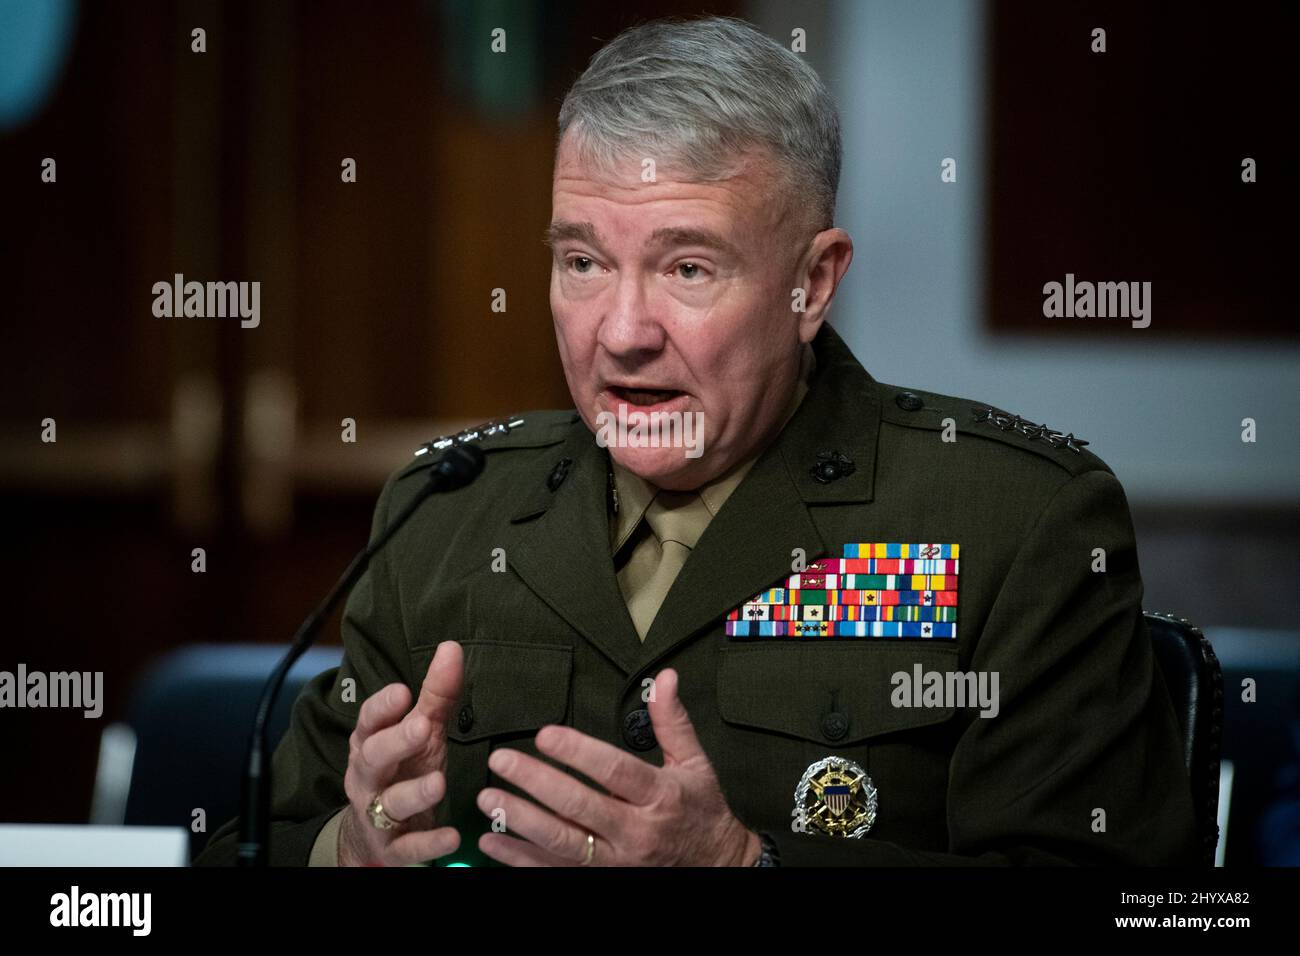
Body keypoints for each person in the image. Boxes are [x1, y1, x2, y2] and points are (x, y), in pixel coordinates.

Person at [196, 15, 1199, 867]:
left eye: (686, 268)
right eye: (582, 260)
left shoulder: (1013, 523)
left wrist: (740, 866)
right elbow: (243, 844)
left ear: (812, 283)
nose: (622, 331)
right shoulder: (447, 510)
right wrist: (343, 850)